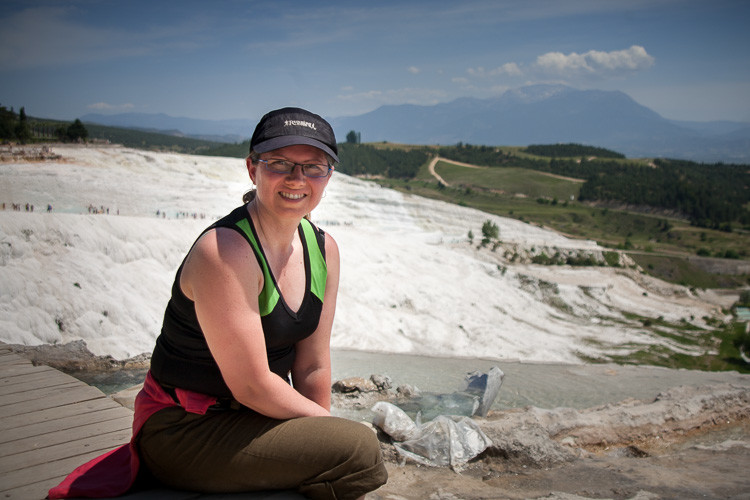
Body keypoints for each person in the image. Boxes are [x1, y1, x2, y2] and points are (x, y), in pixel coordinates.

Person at [48, 108, 387, 500]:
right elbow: (252, 385)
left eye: (314, 167)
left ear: (329, 176)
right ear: (251, 168)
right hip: (184, 427)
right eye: (280, 163)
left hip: (253, 419)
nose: (298, 179)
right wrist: (332, 435)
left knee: (345, 448)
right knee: (359, 449)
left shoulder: (324, 249)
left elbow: (312, 363)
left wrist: (322, 439)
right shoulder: (224, 251)